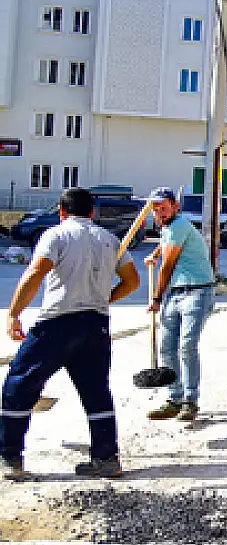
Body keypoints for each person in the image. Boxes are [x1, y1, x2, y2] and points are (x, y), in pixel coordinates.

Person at [1, 188, 141, 479]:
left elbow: (37, 271)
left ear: (62, 211)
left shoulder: (56, 235)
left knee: (20, 385)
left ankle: (10, 457)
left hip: (57, 323)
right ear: (92, 212)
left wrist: (14, 313)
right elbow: (132, 281)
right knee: (97, 392)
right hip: (96, 324)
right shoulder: (110, 240)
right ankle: (106, 459)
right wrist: (104, 298)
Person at [144, 187, 217, 422]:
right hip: (176, 293)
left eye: (163, 208)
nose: (160, 213)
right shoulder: (169, 228)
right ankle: (174, 399)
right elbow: (167, 244)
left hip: (197, 291)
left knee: (186, 345)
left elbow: (167, 266)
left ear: (175, 206)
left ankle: (190, 400)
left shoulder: (180, 226)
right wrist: (155, 253)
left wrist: (156, 298)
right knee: (166, 347)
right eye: (156, 210)